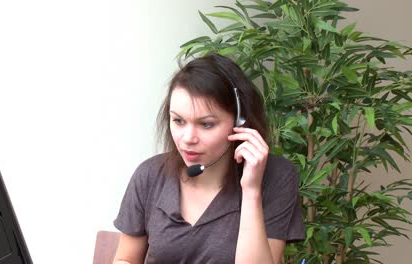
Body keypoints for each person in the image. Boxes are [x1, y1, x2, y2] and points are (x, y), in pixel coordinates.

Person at [113, 54, 305, 264]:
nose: (188, 139)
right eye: (178, 121)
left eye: (206, 124)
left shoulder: (277, 177)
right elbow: (126, 258)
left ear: (240, 122)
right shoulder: (150, 174)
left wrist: (251, 191)